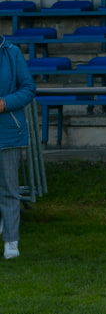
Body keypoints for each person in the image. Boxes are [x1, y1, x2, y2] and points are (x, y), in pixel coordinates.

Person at [0, 35, 36, 260]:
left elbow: (28, 88)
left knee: (9, 190)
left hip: (8, 134)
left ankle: (11, 241)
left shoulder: (12, 53)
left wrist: (5, 103)